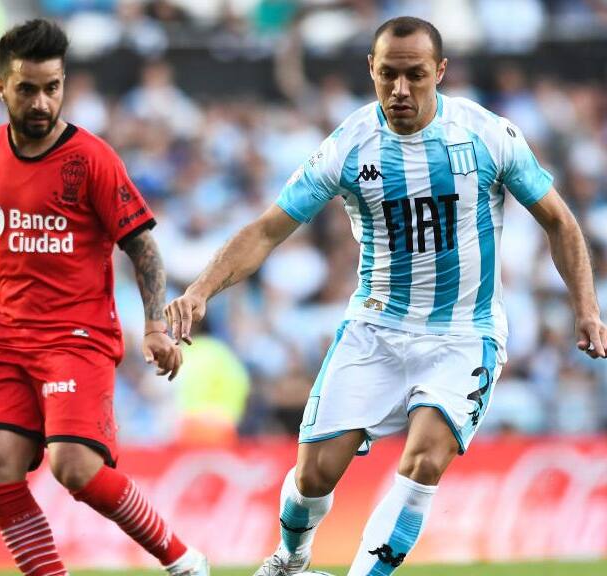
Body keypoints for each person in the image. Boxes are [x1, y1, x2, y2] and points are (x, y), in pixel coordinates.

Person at [164, 15, 607, 576]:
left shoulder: (486, 134)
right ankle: (290, 560)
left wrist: (587, 310)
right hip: (376, 330)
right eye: (388, 75)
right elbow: (268, 229)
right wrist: (202, 290)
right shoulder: (349, 146)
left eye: (415, 75)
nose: (400, 90)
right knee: (313, 477)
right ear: (370, 70)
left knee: (424, 461)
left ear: (440, 72)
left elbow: (560, 221)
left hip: (463, 334)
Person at [0, 19, 208, 576]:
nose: (41, 101)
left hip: (77, 337)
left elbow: (144, 248)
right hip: (8, 337)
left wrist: (152, 326)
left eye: (53, 87)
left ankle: (182, 559)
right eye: (27, 88)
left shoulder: (92, 159)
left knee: (73, 467)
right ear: (1, 87)